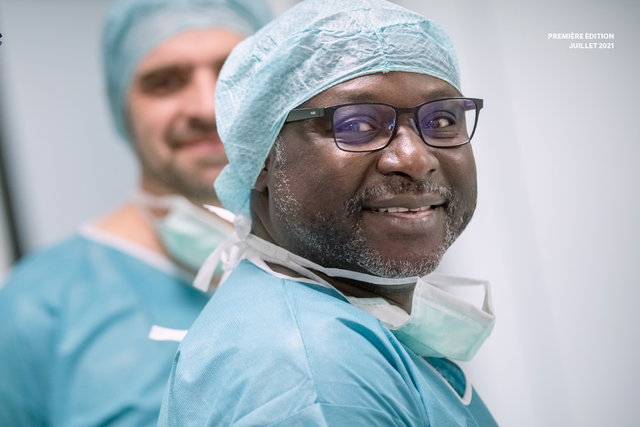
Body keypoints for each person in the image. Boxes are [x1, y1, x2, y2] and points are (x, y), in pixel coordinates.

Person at [159, 0, 499, 425]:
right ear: (262, 157)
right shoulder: (311, 374)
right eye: (356, 124)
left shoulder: (342, 326)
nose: (415, 158)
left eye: (443, 120)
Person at [0, 0, 270, 425]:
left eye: (233, 72)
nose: (205, 107)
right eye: (165, 82)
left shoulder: (350, 265)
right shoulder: (37, 307)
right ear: (121, 107)